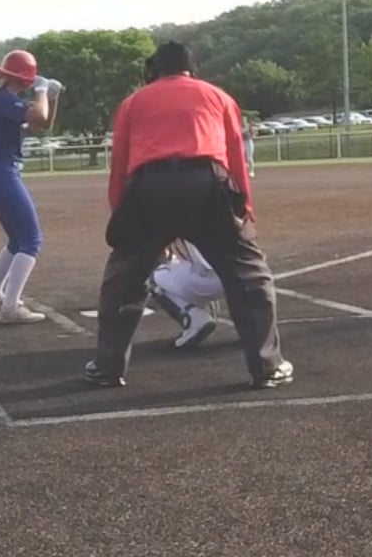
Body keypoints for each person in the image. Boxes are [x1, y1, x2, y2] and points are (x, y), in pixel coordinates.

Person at [85, 41, 290, 389]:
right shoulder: (217, 96)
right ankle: (267, 365)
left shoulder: (133, 102)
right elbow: (235, 159)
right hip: (206, 182)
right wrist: (245, 209)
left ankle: (107, 367)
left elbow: (120, 164)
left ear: (155, 71)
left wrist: (121, 217)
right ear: (192, 69)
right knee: (249, 276)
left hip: (148, 186)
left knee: (124, 280)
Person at [0, 50, 60, 324]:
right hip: (2, 173)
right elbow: (38, 114)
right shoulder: (3, 100)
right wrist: (42, 90)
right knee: (31, 240)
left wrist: (52, 97)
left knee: (16, 241)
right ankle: (10, 307)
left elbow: (43, 122)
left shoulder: (3, 99)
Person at [148, 240, 226, 350]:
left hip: (207, 281)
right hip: (242, 276)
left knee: (151, 273)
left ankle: (195, 318)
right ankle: (251, 324)